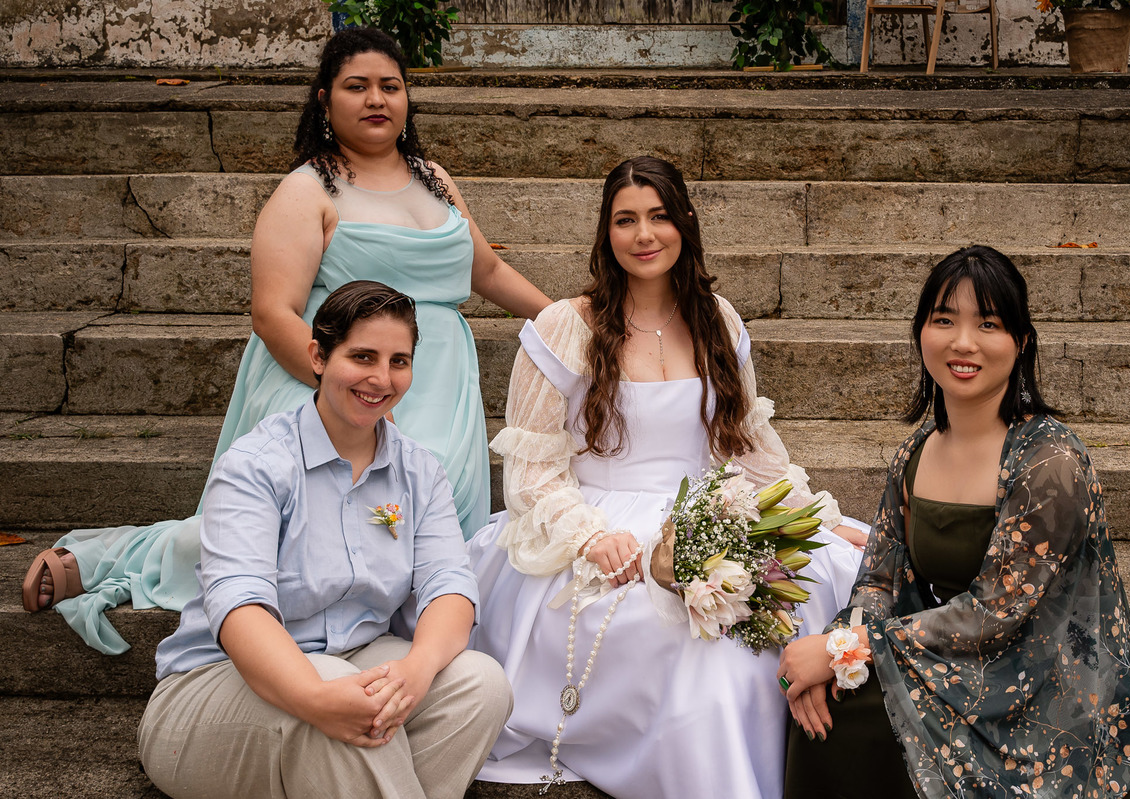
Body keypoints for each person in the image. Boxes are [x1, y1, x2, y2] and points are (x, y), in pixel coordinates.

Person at [22, 26, 552, 654]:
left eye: (391, 86)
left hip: (437, 383)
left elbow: (484, 270)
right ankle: (108, 555)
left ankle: (395, 633)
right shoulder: (309, 188)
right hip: (335, 381)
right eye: (357, 87)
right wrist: (349, 389)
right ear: (325, 100)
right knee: (302, 521)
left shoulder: (433, 179)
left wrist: (566, 323)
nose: (376, 99)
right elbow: (274, 313)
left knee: (418, 516)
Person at [466, 156, 867, 799]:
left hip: (709, 507)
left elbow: (746, 449)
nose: (644, 234)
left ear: (684, 223)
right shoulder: (564, 327)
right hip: (598, 518)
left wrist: (814, 515)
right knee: (683, 636)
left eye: (658, 217)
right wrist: (589, 538)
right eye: (626, 220)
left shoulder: (718, 320)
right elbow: (534, 469)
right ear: (606, 233)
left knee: (821, 574)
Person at [779, 246, 1130, 799]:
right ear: (921, 332)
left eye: (989, 323)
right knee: (830, 710)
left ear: (1020, 342)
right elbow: (879, 580)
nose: (963, 342)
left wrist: (843, 648)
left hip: (1037, 683)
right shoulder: (917, 451)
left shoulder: (1050, 461)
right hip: (947, 659)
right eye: (944, 320)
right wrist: (842, 649)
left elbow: (995, 614)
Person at [138, 280, 512, 799]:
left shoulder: (420, 471)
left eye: (398, 361)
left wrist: (416, 670)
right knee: (343, 703)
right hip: (216, 691)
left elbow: (449, 584)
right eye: (362, 356)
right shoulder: (256, 466)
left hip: (354, 658)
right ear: (317, 355)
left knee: (480, 684)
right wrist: (317, 696)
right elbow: (239, 604)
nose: (381, 379)